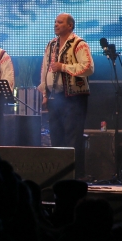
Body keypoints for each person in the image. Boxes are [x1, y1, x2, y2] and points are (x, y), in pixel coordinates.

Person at [39, 13, 94, 179]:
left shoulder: (79, 43)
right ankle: (60, 175)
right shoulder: (51, 44)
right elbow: (45, 69)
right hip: (55, 97)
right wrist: (45, 93)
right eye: (55, 22)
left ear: (70, 25)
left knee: (73, 137)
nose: (56, 24)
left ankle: (75, 176)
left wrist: (63, 67)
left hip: (74, 97)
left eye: (60, 22)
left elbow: (88, 68)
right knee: (56, 136)